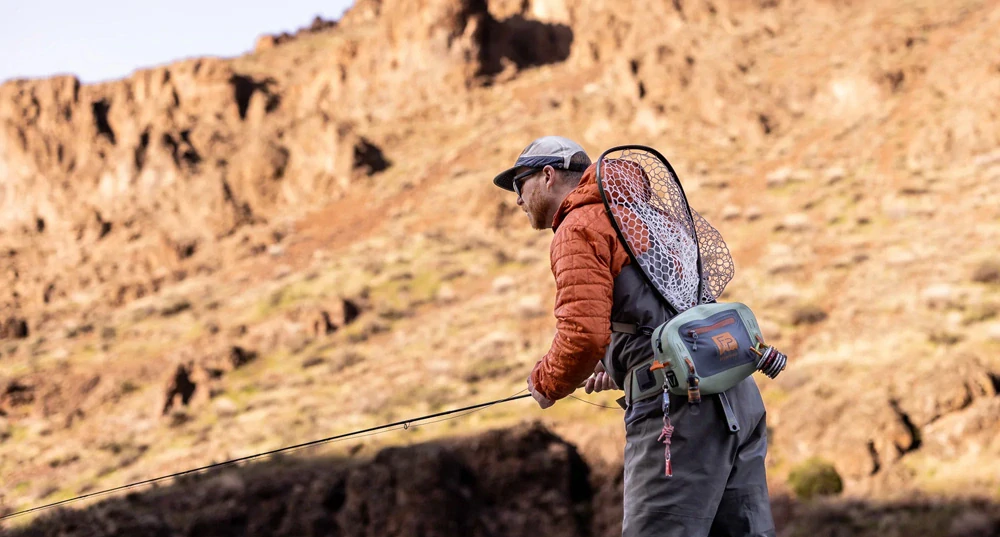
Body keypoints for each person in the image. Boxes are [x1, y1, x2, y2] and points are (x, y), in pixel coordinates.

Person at [492, 135, 776, 537]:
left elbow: (581, 335)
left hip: (678, 413)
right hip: (736, 396)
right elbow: (662, 312)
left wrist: (546, 383)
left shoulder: (578, 227)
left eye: (519, 185)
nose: (518, 199)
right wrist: (619, 364)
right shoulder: (643, 213)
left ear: (548, 175)